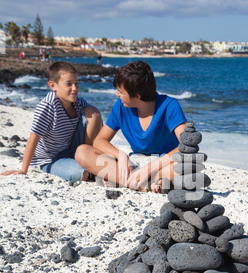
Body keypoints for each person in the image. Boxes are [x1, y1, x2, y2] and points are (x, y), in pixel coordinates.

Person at [75, 61, 187, 193]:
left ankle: (125, 181)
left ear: (137, 95)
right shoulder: (120, 106)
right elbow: (99, 141)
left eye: (120, 91)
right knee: (82, 152)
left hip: (163, 164)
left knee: (188, 166)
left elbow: (186, 147)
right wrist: (121, 155)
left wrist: (152, 167)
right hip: (134, 165)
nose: (117, 94)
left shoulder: (170, 106)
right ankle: (146, 185)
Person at [0, 61, 102, 185]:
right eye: (69, 84)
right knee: (82, 173)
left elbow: (95, 125)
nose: (75, 88)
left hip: (72, 148)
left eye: (76, 83)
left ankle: (90, 157)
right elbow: (34, 137)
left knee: (94, 113)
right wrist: (23, 170)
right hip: (51, 159)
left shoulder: (77, 102)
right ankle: (90, 167)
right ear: (53, 86)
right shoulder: (47, 106)